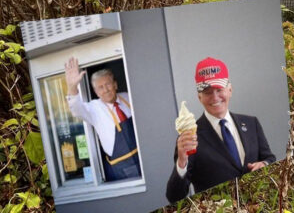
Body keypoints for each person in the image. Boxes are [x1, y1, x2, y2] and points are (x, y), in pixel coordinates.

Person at [166, 57, 275, 203]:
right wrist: (181, 162)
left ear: (230, 89)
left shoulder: (251, 123)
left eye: (219, 89)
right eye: (207, 92)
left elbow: (269, 158)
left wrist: (264, 165)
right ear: (199, 97)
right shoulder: (189, 139)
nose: (215, 97)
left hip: (260, 205)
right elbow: (174, 196)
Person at [64, 57, 141, 182]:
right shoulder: (94, 108)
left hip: (143, 157)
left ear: (115, 84)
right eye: (100, 87)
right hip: (122, 169)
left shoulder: (127, 97)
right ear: (96, 92)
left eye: (108, 84)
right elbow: (76, 109)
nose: (105, 90)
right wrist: (72, 87)